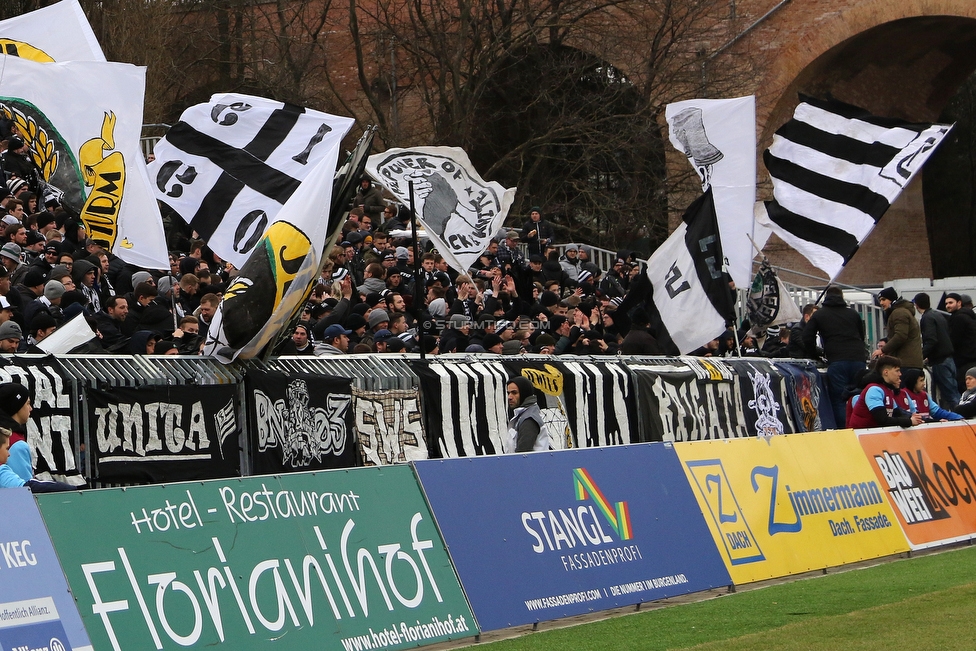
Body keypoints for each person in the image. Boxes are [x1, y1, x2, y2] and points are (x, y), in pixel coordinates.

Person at [803, 286, 868, 426]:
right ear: (842, 297)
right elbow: (862, 336)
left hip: (837, 360)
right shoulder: (853, 314)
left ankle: (845, 431)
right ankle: (860, 428)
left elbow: (807, 337)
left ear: (826, 297)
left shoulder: (820, 315)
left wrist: (815, 355)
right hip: (858, 359)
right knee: (858, 397)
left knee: (840, 400)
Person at [847, 356, 924, 429]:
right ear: (886, 372)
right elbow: (883, 420)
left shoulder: (887, 390)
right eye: (897, 370)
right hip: (860, 438)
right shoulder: (874, 390)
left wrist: (916, 418)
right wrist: (909, 421)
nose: (900, 374)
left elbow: (898, 413)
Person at [913, 292, 959, 407]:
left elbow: (931, 340)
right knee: (953, 391)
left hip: (940, 361)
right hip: (949, 359)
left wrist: (921, 356)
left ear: (917, 305)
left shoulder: (927, 318)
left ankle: (963, 418)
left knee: (950, 395)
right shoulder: (938, 315)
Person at [875, 287, 923, 371]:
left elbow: (900, 336)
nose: (881, 303)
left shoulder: (899, 313)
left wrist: (883, 350)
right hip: (909, 362)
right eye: (880, 300)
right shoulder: (901, 312)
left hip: (906, 363)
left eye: (883, 299)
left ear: (892, 300)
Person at [897, 368, 962, 422]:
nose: (923, 384)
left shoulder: (924, 395)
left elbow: (938, 412)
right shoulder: (903, 394)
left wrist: (958, 417)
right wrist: (936, 422)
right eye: (921, 381)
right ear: (913, 381)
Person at [506, 376, 549, 453]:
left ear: (524, 393)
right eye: (508, 393)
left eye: (514, 393)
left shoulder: (529, 419)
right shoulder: (526, 414)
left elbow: (522, 456)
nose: (509, 397)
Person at [945, 292, 976, 392]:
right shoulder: (969, 316)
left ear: (959, 303)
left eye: (950, 302)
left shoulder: (958, 318)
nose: (948, 306)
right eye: (946, 303)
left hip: (964, 361)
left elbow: (954, 340)